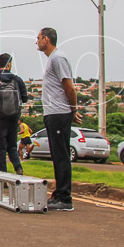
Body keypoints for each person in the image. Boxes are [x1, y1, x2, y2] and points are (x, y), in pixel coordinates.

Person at [37, 27, 80, 211]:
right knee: (57, 155)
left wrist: (72, 109)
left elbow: (69, 87)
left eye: (38, 38)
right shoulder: (52, 60)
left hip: (59, 113)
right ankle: (59, 194)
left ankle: (65, 198)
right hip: (53, 113)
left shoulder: (58, 58)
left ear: (46, 39)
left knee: (61, 155)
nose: (36, 41)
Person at [0, 53, 28, 175]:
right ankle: (18, 167)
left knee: (0, 148)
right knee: (12, 145)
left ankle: (2, 174)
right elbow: (25, 98)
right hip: (13, 118)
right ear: (9, 64)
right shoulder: (17, 80)